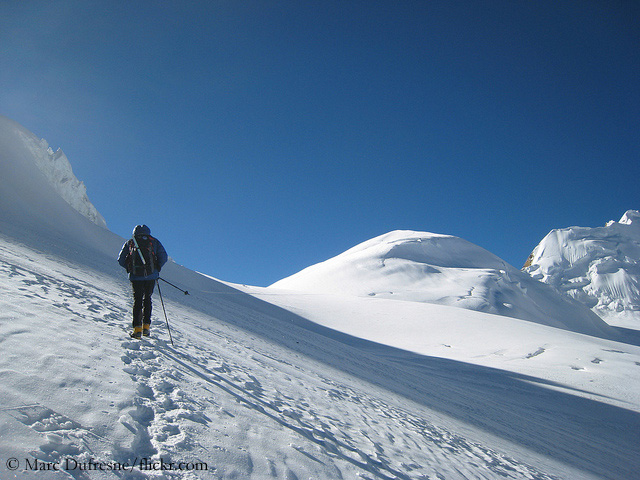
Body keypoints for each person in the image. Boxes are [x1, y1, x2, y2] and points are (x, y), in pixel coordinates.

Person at [118, 225, 168, 338]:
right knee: (147, 299)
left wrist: (129, 267)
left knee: (138, 301)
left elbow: (120, 260)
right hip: (151, 276)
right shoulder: (154, 242)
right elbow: (163, 257)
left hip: (135, 277)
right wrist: (157, 268)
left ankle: (137, 330)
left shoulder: (130, 242)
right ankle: (146, 328)